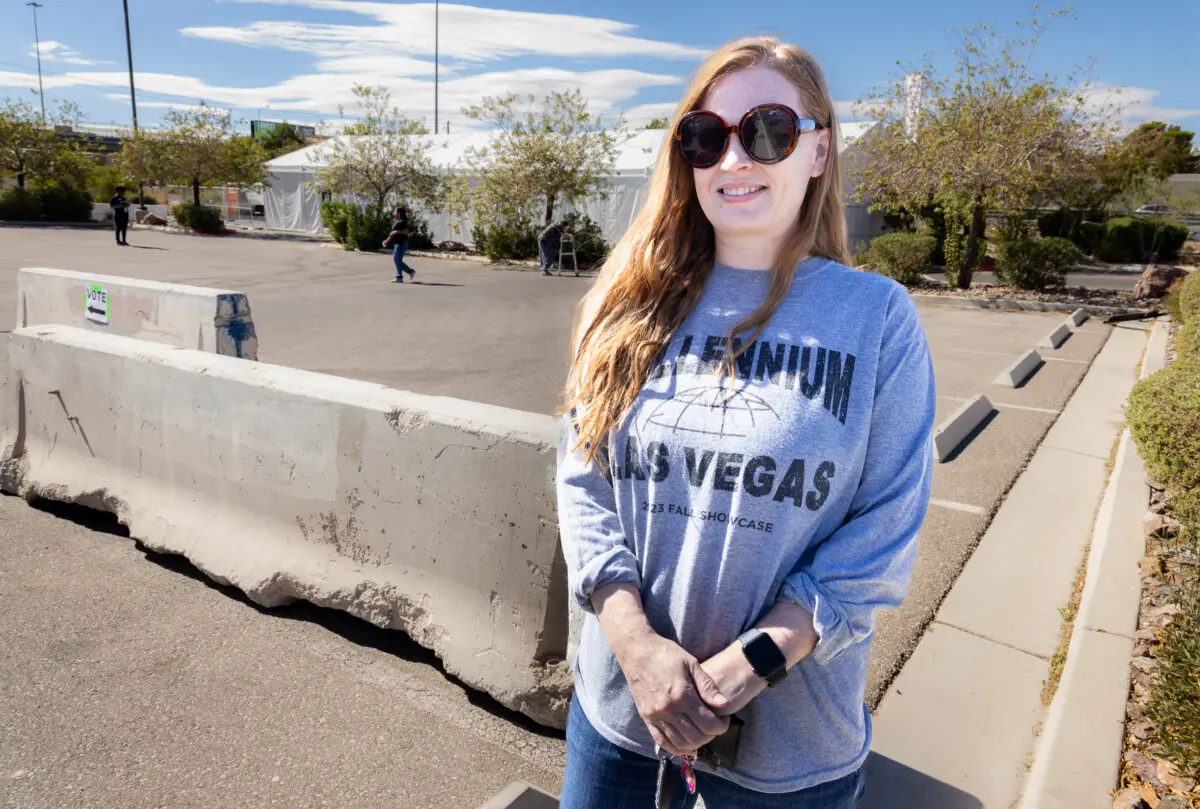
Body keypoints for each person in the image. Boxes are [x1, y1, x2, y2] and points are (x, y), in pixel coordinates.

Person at [556, 36, 936, 809]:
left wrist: (742, 669)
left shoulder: (876, 319)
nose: (732, 160)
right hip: (619, 724)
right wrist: (635, 648)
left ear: (819, 150)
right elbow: (583, 483)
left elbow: (883, 532)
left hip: (787, 756)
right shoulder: (626, 301)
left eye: (768, 131)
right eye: (704, 136)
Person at [383, 206, 416, 283]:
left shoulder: (403, 221)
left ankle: (400, 276)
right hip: (397, 243)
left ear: (399, 213)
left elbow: (406, 232)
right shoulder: (396, 221)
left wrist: (397, 232)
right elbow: (392, 233)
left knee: (397, 259)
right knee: (397, 260)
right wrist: (386, 241)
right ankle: (407, 273)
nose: (393, 212)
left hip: (401, 243)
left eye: (395, 211)